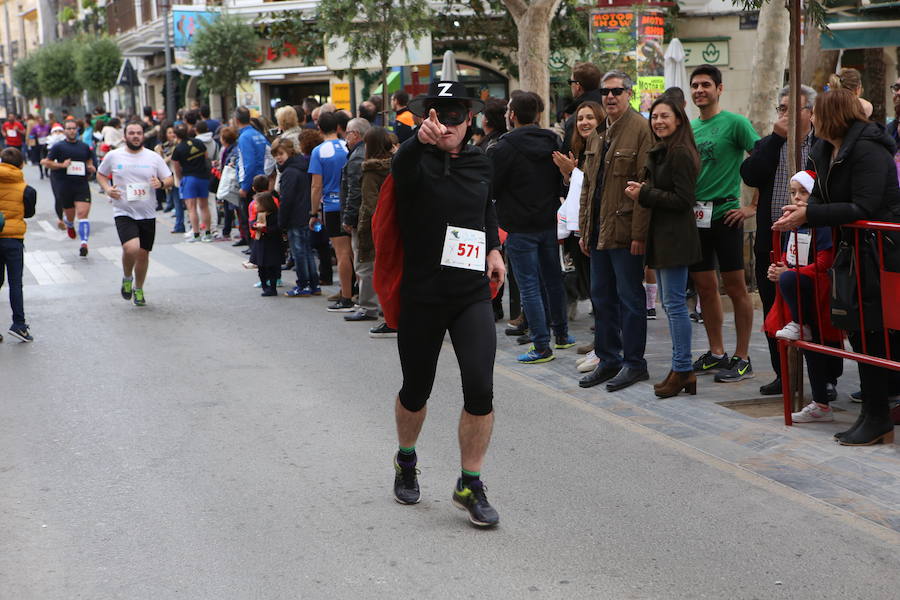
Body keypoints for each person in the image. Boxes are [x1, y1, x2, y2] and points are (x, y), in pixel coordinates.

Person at [382, 81, 505, 527]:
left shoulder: (481, 163)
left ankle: (470, 483)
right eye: (437, 115)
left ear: (469, 120)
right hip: (422, 295)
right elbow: (401, 163)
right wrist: (418, 140)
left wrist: (494, 249)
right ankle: (406, 460)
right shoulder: (413, 160)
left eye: (455, 116)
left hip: (470, 293)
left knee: (480, 386)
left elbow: (486, 210)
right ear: (425, 119)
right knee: (417, 390)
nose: (446, 123)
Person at [774, 88, 900, 446]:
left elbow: (864, 205)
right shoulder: (826, 149)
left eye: (815, 113)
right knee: (859, 333)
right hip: (854, 254)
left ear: (831, 116)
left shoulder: (868, 148)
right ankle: (872, 414)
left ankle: (877, 415)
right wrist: (800, 212)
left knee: (873, 333)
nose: (810, 118)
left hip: (881, 254)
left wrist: (809, 214)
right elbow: (825, 198)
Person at [740, 84, 827, 397]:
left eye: (792, 108)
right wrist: (776, 139)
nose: (784, 114)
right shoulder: (769, 143)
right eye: (781, 108)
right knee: (773, 308)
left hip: (812, 239)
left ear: (811, 113)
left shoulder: (822, 145)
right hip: (773, 241)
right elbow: (750, 174)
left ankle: (824, 379)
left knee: (813, 310)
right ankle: (783, 374)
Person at [577, 70, 653, 392]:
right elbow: (588, 186)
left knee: (630, 300)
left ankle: (634, 363)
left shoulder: (641, 130)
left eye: (617, 91)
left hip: (624, 234)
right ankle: (608, 359)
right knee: (602, 299)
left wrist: (638, 234)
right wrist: (584, 230)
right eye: (605, 92)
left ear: (628, 94)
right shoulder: (598, 134)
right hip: (598, 234)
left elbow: (645, 188)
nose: (610, 97)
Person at [625, 96, 702, 398]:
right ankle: (681, 369)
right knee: (671, 305)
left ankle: (682, 368)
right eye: (654, 116)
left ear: (679, 119)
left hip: (676, 237)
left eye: (664, 116)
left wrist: (645, 193)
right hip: (665, 236)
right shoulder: (664, 150)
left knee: (673, 305)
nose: (658, 121)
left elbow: (684, 200)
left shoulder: (680, 152)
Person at [489, 91, 573, 364]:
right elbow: (562, 180)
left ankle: (541, 345)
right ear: (537, 115)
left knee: (529, 287)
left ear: (512, 115)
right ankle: (561, 335)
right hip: (549, 221)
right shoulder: (553, 141)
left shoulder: (502, 148)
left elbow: (491, 187)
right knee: (553, 279)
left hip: (519, 225)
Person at [688, 64, 760, 383]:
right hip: (696, 219)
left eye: (706, 84)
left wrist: (751, 207)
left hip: (727, 215)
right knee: (705, 287)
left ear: (719, 89)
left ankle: (742, 357)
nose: (700, 90)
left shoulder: (735, 123)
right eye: (695, 85)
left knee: (735, 287)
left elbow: (761, 160)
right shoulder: (689, 129)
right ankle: (716, 352)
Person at [763, 170, 838, 422]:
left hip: (819, 291)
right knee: (810, 345)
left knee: (819, 342)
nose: (796, 198)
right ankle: (821, 403)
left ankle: (826, 391)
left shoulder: (822, 224)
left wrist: (790, 273)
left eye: (803, 192)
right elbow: (787, 258)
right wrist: (778, 269)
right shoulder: (793, 224)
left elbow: (824, 261)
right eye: (793, 192)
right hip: (800, 294)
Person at [97, 122, 174, 307]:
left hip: (147, 213)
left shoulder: (153, 157)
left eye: (139, 133)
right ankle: (126, 277)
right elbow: (101, 174)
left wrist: (161, 184)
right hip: (123, 211)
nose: (136, 136)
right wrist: (108, 189)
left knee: (143, 254)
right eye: (131, 133)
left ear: (143, 136)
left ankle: (138, 288)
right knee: (131, 248)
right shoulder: (114, 156)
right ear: (125, 136)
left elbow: (169, 178)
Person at [308, 111, 353, 311]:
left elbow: (316, 186)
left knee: (342, 253)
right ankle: (355, 291)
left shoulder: (318, 151)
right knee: (354, 252)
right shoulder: (348, 146)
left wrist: (313, 212)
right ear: (338, 128)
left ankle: (346, 297)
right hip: (352, 203)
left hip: (333, 205)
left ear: (319, 129)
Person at [358, 127, 395, 338]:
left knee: (374, 269)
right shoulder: (397, 165)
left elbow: (370, 204)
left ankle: (381, 313)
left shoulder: (370, 171)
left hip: (378, 225)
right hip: (395, 223)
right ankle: (389, 311)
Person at [42, 120, 97, 257]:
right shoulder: (58, 147)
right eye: (69, 129)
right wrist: (62, 165)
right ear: (65, 131)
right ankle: (70, 224)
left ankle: (84, 243)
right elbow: (46, 162)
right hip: (65, 185)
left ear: (77, 130)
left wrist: (91, 168)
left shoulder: (84, 147)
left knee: (83, 215)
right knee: (71, 215)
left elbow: (90, 162)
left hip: (81, 185)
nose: (72, 131)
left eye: (74, 129)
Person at [272, 137, 318, 297]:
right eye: (275, 155)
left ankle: (303, 285)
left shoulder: (289, 172)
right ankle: (314, 284)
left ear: (289, 152)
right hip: (305, 213)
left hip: (294, 217)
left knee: (299, 252)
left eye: (280, 154)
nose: (278, 157)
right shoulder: (302, 166)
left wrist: (281, 222)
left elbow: (286, 199)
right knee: (307, 251)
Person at [340, 118, 376, 321]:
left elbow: (355, 192)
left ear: (356, 134)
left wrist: (348, 217)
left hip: (363, 218)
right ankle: (374, 304)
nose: (345, 137)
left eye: (347, 133)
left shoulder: (357, 157)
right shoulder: (368, 152)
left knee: (364, 263)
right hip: (372, 216)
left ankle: (367, 306)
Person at [0, 147, 37, 342]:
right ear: (22, 164)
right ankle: (19, 325)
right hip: (13, 239)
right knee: (15, 283)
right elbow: (29, 213)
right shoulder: (26, 189)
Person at [235, 106, 270, 248]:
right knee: (260, 217)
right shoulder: (258, 134)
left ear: (236, 120)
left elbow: (248, 163)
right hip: (262, 179)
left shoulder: (245, 137)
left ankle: (254, 250)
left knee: (250, 218)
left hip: (251, 183)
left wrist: (244, 187)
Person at [171, 124, 212, 242]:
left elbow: (176, 167)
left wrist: (180, 179)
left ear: (176, 135)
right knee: (204, 206)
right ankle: (208, 233)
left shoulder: (178, 149)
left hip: (189, 178)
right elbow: (206, 157)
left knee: (192, 208)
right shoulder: (198, 142)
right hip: (203, 177)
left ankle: (196, 234)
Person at [561, 63, 604, 154]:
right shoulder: (612, 110)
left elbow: (569, 155)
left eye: (570, 82)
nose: (584, 122)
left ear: (577, 86)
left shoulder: (575, 119)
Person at [251, 191, 282, 296]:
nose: (255, 206)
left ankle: (272, 288)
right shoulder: (260, 215)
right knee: (261, 267)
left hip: (272, 245)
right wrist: (254, 226)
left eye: (257, 204)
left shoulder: (275, 216)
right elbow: (253, 224)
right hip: (260, 243)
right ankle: (264, 285)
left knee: (271, 267)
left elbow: (277, 229)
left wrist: (265, 229)